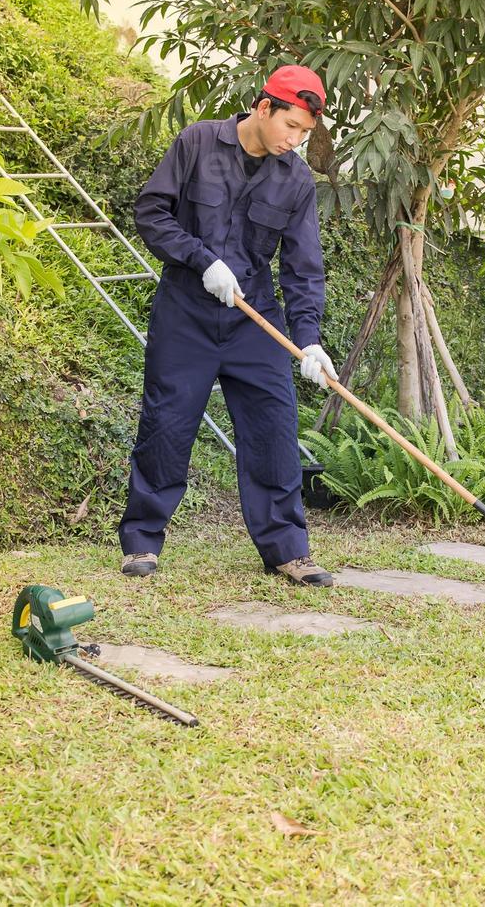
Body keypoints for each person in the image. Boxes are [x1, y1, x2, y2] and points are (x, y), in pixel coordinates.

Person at [119, 64, 337, 587]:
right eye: (292, 127)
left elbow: (303, 267)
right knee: (167, 425)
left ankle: (288, 549)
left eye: (306, 134)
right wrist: (199, 258)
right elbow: (151, 212)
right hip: (186, 315)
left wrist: (308, 339)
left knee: (274, 429)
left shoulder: (297, 181)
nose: (296, 141)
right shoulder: (197, 142)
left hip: (254, 321)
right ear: (265, 108)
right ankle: (142, 541)